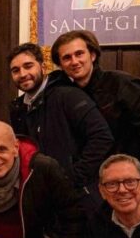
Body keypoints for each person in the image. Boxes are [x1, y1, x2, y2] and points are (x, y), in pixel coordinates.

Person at [51, 30, 140, 195]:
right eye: (66, 57)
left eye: (79, 54)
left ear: (92, 55)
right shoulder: (67, 94)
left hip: (135, 182)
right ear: (61, 64)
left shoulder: (122, 84)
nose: (74, 61)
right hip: (95, 185)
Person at [8, 42, 113, 196]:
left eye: (28, 66)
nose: (22, 74)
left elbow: (102, 137)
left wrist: (73, 178)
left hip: (77, 194)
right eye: (16, 70)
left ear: (43, 67)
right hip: (42, 192)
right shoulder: (18, 108)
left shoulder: (68, 95)